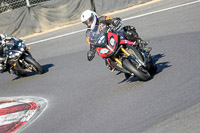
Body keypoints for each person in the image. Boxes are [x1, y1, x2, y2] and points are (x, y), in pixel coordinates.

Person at [81, 10, 151, 79]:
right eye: (86, 23)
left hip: (115, 37)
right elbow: (91, 44)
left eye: (89, 21)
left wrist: (115, 21)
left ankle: (140, 42)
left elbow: (111, 20)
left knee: (127, 30)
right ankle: (127, 69)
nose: (88, 23)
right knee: (109, 64)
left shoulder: (102, 19)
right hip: (106, 47)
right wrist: (91, 52)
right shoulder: (88, 33)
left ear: (94, 17)